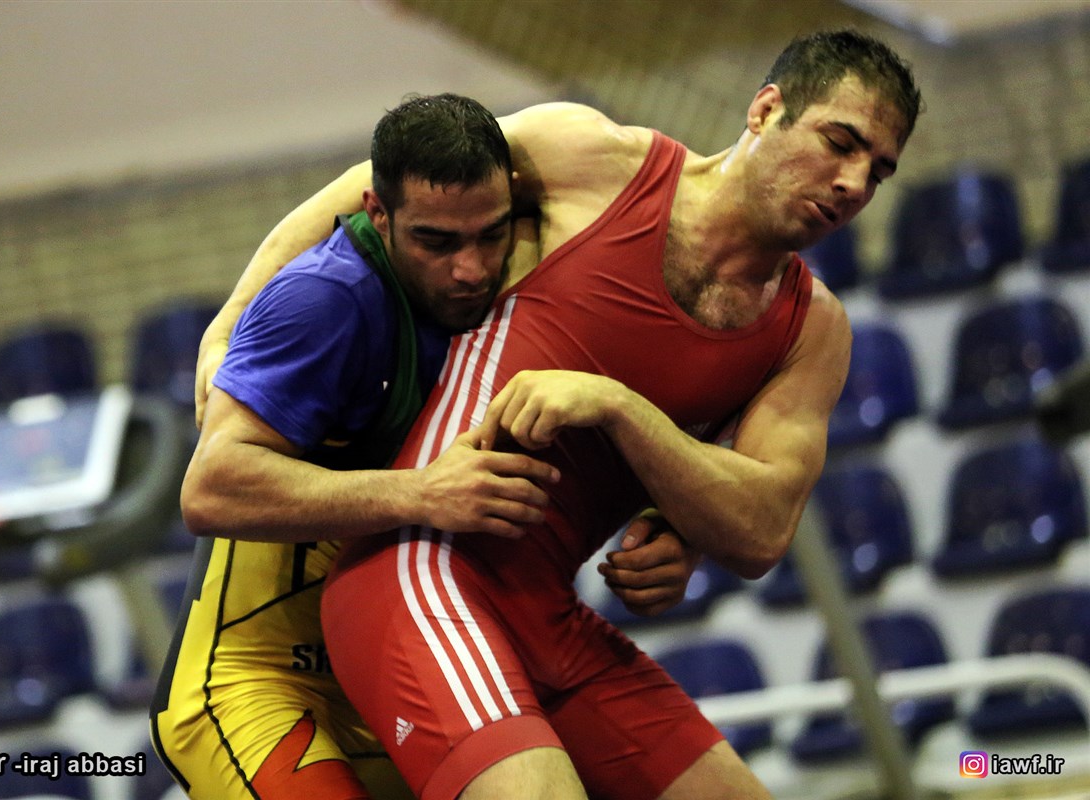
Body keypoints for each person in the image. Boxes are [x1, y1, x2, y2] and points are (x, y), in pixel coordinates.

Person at [205, 29, 921, 800]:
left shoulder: (812, 330)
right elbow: (371, 186)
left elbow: (760, 533)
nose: (853, 183)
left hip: (548, 615)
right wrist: (231, 325)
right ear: (766, 109)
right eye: (839, 143)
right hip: (421, 576)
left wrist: (627, 425)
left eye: (878, 170)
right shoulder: (593, 159)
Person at [151, 94, 699, 800]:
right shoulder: (327, 298)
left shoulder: (523, 279)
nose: (470, 268)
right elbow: (211, 487)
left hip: (390, 680)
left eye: (490, 235)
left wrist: (674, 526)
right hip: (259, 687)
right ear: (378, 216)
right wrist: (423, 492)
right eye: (436, 243)